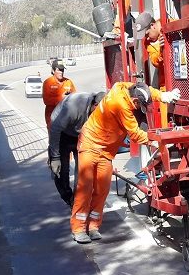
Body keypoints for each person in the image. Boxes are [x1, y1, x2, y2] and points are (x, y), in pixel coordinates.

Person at [70, 81, 181, 243]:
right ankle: (78, 228)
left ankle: (93, 226)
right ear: (135, 102)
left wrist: (162, 96)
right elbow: (135, 134)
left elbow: (145, 88)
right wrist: (155, 141)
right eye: (140, 106)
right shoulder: (120, 105)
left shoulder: (123, 87)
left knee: (102, 188)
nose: (139, 109)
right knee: (85, 187)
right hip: (90, 144)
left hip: (106, 150)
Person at [47, 91, 106, 207]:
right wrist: (54, 157)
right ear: (95, 105)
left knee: (84, 171)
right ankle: (68, 197)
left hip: (82, 135)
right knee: (61, 172)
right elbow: (55, 130)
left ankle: (76, 201)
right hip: (62, 133)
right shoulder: (74, 107)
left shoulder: (102, 111)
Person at [136, 12, 170, 127]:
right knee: (165, 120)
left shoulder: (170, 23)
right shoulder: (148, 42)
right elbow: (155, 62)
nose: (146, 37)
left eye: (147, 34)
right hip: (166, 83)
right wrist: (161, 50)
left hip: (185, 79)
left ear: (152, 26)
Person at [42, 60, 76, 132]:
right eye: (59, 70)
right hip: (52, 118)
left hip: (66, 118)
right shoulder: (48, 82)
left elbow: (76, 98)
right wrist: (62, 98)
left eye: (62, 70)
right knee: (55, 141)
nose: (61, 72)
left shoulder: (68, 82)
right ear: (53, 71)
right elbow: (46, 100)